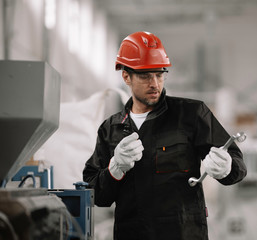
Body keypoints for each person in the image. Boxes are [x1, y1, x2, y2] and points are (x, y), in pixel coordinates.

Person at [83, 31, 247, 240]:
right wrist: (115, 169)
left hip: (184, 234)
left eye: (159, 74)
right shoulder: (111, 128)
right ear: (126, 76)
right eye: (145, 76)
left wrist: (228, 168)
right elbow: (97, 195)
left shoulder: (191, 114)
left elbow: (237, 164)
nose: (155, 84)